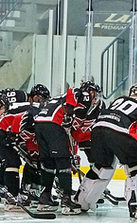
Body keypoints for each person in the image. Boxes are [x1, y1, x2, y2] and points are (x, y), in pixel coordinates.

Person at [74, 83, 137, 216]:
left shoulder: (118, 99)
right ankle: (136, 205)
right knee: (136, 166)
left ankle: (80, 201)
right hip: (120, 130)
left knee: (101, 167)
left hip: (98, 129)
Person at [35, 83, 100, 215]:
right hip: (53, 125)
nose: (95, 98)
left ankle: (44, 198)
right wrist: (70, 112)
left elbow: (76, 134)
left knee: (49, 164)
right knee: (63, 162)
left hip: (40, 124)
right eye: (96, 94)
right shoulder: (84, 95)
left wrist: (92, 135)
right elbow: (73, 91)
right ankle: (66, 200)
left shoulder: (66, 101)